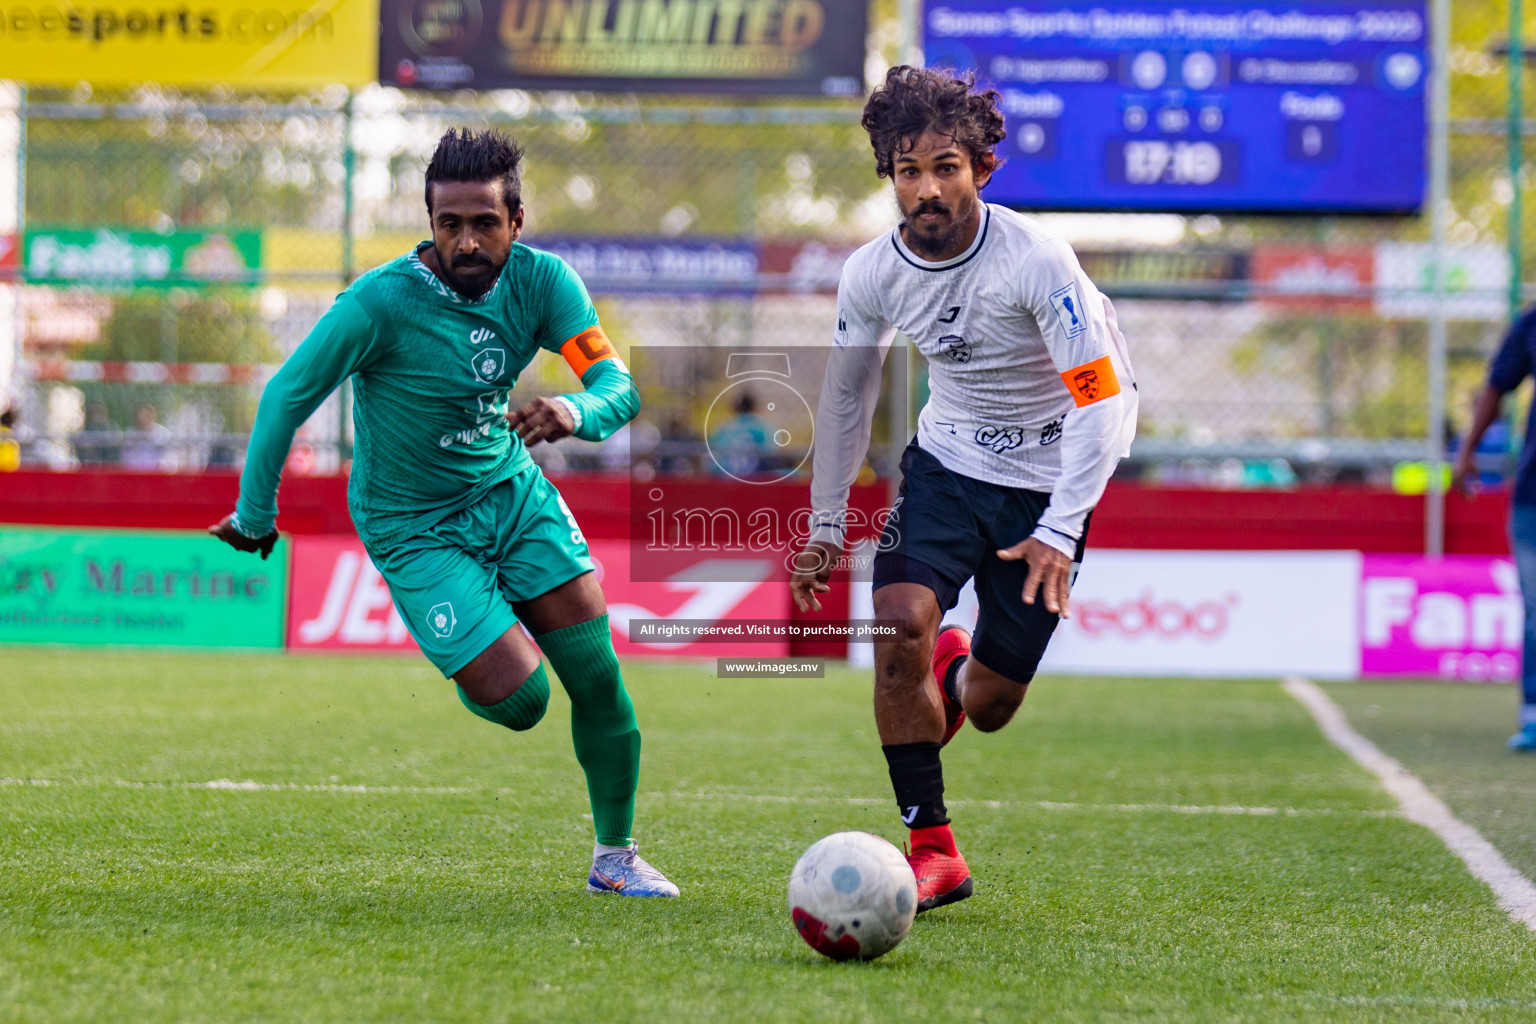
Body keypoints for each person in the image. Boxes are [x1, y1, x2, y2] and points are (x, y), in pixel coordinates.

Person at [209, 128, 679, 896]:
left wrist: (574, 409)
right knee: (524, 700)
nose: (466, 240)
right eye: (448, 223)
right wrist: (255, 515)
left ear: (516, 221)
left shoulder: (544, 282)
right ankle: (469, 635)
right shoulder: (377, 303)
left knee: (596, 676)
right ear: (429, 224)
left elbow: (617, 386)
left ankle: (616, 859)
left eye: (484, 223)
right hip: (414, 526)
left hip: (510, 495)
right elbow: (286, 396)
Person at [790, 67, 1138, 912]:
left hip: (1049, 487)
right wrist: (827, 521)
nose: (928, 188)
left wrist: (1061, 527)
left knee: (987, 707)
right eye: (909, 170)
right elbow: (847, 394)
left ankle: (954, 680)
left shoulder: (1037, 260)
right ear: (889, 176)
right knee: (899, 623)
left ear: (983, 167)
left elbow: (1106, 400)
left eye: (947, 166)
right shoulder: (873, 272)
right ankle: (931, 845)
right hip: (946, 467)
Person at [1452, 307, 1536, 753]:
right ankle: (1534, 715)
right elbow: (1498, 384)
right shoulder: (1532, 322)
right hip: (1533, 494)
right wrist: (1467, 450)